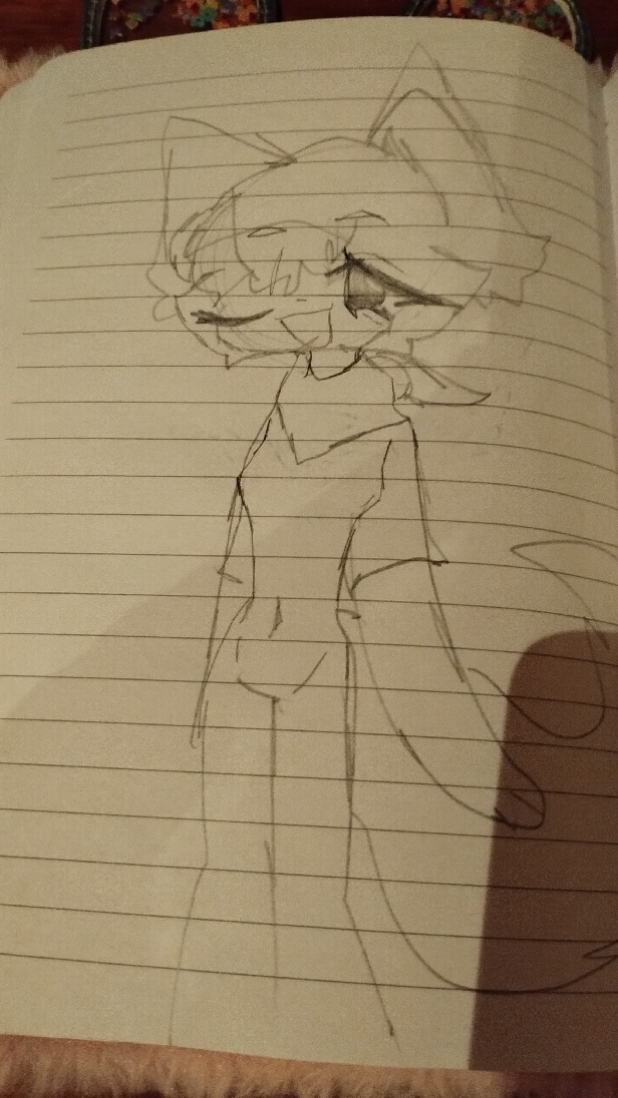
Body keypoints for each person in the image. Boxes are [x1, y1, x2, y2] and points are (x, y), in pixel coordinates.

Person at [148, 52, 571, 1044]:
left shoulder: (382, 429)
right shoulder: (294, 413)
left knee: (306, 895)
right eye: (270, 280)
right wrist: (194, 702)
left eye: (340, 283)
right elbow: (243, 573)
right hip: (244, 687)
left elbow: (402, 616)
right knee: (230, 888)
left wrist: (476, 759)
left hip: (308, 692)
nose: (291, 304)